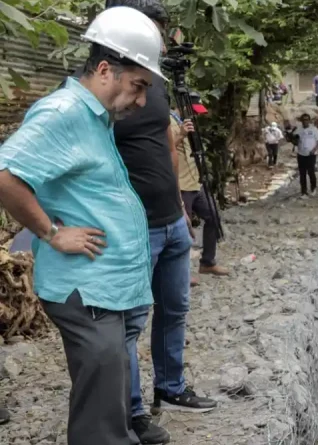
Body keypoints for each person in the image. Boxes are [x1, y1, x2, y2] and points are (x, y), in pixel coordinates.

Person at [0, 7, 164, 444]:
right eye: (138, 86)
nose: (142, 100)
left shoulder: (95, 115)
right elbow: (5, 173)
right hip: (86, 290)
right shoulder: (64, 112)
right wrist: (52, 233)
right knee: (100, 419)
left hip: (107, 289)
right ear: (106, 69)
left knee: (109, 399)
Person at [62, 1, 218, 442]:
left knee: (175, 309)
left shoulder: (151, 86)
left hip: (169, 218)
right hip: (131, 227)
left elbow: (165, 145)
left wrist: (182, 211)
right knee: (127, 322)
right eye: (155, 30)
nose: (162, 40)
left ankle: (170, 387)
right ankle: (131, 413)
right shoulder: (93, 91)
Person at [170, 94, 230, 288]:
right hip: (181, 184)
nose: (196, 115)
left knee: (213, 217)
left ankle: (208, 262)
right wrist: (180, 134)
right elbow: (163, 148)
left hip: (195, 182)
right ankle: (181, 274)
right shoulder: (168, 121)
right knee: (183, 230)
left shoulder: (188, 122)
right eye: (193, 111)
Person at [294, 113, 318, 198]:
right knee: (302, 174)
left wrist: (314, 150)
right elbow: (295, 142)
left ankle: (313, 188)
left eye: (307, 120)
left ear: (309, 120)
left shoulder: (314, 129)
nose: (305, 121)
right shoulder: (298, 130)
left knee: (311, 172)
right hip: (301, 154)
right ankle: (303, 192)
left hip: (311, 154)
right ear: (301, 121)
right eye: (303, 120)